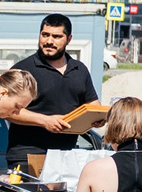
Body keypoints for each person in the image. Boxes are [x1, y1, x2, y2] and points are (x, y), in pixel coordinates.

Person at [7, 15, 99, 175]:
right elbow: (7, 111)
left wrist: (98, 118)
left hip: (66, 156)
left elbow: (93, 105)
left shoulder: (80, 70)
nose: (49, 41)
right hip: (27, 156)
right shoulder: (23, 70)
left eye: (56, 36)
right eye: (45, 35)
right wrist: (44, 121)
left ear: (69, 39)